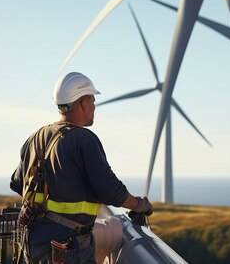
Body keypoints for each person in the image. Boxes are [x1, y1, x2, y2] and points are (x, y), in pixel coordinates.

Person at [10, 72, 153, 264]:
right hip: (68, 247)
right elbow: (111, 192)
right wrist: (139, 204)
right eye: (93, 101)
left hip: (33, 241)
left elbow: (18, 183)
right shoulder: (84, 140)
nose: (94, 107)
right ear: (83, 103)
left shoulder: (35, 138)